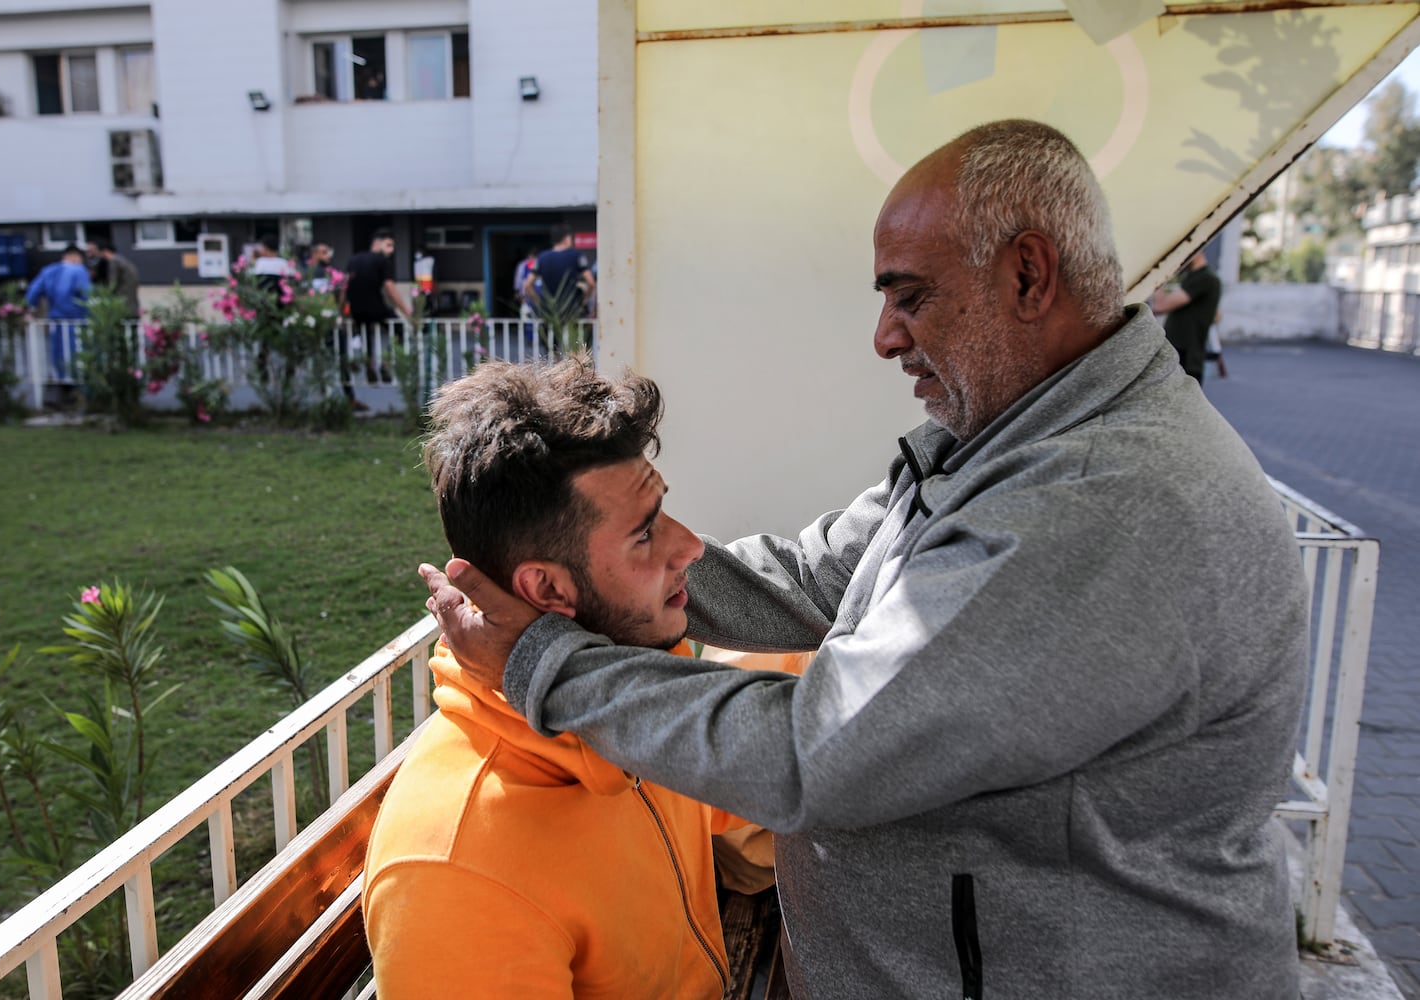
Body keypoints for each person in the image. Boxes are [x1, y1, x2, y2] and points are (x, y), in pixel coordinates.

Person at [422, 119, 1309, 1000]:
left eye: (910, 296)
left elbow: (816, 755)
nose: (885, 336)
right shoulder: (1015, 438)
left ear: (1028, 276)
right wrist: (655, 578)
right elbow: (817, 573)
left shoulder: (1094, 499)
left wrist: (542, 658)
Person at [364, 357, 761, 998]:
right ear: (546, 588)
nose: (691, 546)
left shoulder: (637, 692)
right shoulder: (458, 868)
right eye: (644, 533)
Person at [342, 228, 411, 385]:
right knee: (398, 329)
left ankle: (369, 365)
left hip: (356, 309)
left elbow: (344, 287)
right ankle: (385, 364)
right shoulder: (382, 261)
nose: (391, 250)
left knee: (366, 336)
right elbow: (390, 288)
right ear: (378, 244)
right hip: (376, 307)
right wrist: (406, 311)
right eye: (388, 245)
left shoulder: (354, 259)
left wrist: (342, 310)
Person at [1150, 247, 1223, 383]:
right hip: (1181, 355)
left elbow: (1160, 306)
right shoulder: (1192, 277)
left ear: (1196, 251)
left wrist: (1157, 277)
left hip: (1187, 357)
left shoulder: (1205, 278)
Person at [25, 244, 93, 383]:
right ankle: (77, 381)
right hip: (76, 318)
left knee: (58, 351)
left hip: (55, 318)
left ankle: (61, 379)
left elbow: (33, 292)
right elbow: (87, 295)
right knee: (77, 350)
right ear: (76, 257)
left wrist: (31, 309)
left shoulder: (48, 270)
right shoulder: (79, 271)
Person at [525, 224, 595, 326]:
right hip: (571, 312)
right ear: (567, 238)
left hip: (549, 313)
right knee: (575, 341)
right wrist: (583, 302)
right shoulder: (575, 255)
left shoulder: (541, 257)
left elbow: (527, 285)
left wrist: (540, 304)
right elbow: (591, 283)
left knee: (550, 341)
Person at [85, 240, 140, 317]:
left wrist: (104, 294)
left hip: (124, 302)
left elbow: (112, 284)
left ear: (104, 251)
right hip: (131, 300)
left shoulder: (114, 262)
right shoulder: (121, 260)